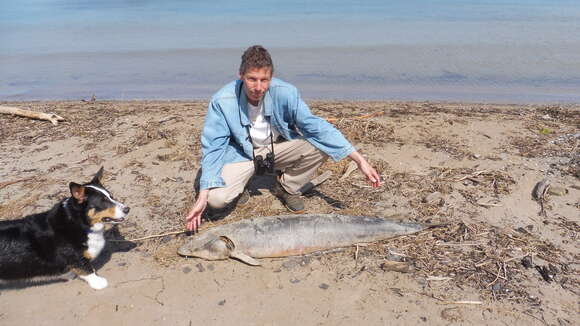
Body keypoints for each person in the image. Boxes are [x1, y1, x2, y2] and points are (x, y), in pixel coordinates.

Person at [185, 45, 381, 231]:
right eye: (252, 79)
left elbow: (316, 126)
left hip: (275, 149)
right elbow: (214, 147)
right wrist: (202, 195)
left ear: (272, 77)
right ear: (241, 75)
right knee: (216, 200)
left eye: (264, 80)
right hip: (240, 155)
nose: (258, 87)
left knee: (321, 145)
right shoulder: (222, 100)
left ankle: (287, 187)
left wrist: (359, 160)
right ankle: (241, 185)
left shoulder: (286, 92)